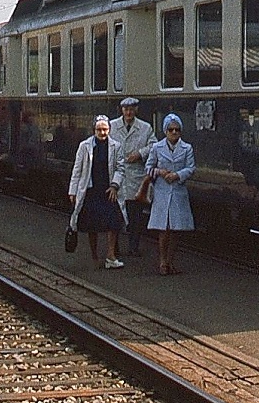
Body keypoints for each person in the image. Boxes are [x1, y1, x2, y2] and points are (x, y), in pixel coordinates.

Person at [68, 115, 127, 269]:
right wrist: (73, 191)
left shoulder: (116, 146)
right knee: (92, 226)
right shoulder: (85, 146)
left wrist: (115, 185)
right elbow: (77, 169)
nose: (102, 132)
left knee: (113, 224)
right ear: (94, 130)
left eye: (105, 129)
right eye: (99, 130)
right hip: (91, 190)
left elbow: (121, 168)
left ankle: (110, 255)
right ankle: (94, 256)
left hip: (108, 190)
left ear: (109, 129)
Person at [145, 113, 196, 276]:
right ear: (165, 131)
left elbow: (191, 168)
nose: (174, 132)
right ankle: (162, 261)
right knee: (163, 229)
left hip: (178, 191)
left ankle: (170, 261)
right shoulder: (156, 147)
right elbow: (148, 168)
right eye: (171, 129)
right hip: (162, 191)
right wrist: (159, 172)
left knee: (176, 229)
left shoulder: (187, 148)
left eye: (177, 130)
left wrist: (177, 175)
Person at [109, 97, 156, 257]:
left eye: (131, 109)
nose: (128, 112)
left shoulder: (145, 128)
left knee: (135, 216)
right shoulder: (112, 126)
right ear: (121, 110)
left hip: (136, 177)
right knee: (115, 215)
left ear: (136, 110)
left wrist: (140, 153)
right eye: (125, 109)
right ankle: (114, 248)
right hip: (117, 177)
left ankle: (133, 247)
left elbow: (153, 145)